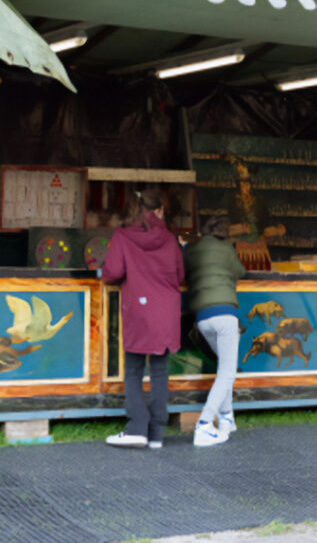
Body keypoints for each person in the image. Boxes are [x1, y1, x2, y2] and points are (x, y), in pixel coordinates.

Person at [101, 188, 184, 449]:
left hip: (139, 308)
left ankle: (137, 426)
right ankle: (157, 432)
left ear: (135, 210)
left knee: (134, 369)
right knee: (160, 371)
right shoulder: (170, 240)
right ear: (158, 210)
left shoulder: (123, 237)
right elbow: (180, 275)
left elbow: (112, 272)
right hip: (166, 312)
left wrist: (101, 271)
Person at [183, 215, 246, 447]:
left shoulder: (190, 249)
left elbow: (182, 271)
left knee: (223, 368)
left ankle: (227, 419)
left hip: (202, 318)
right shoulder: (227, 248)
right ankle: (204, 424)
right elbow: (240, 271)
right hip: (225, 314)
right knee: (228, 372)